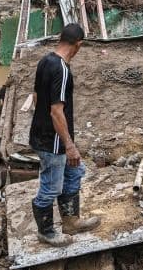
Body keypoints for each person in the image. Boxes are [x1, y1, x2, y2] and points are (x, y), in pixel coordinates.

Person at [28, 24, 101, 247]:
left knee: (75, 171)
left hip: (45, 133)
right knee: (51, 187)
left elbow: (36, 96)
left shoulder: (45, 61)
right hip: (53, 140)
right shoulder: (62, 69)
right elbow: (56, 110)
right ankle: (46, 232)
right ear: (78, 45)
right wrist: (68, 144)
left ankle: (71, 221)